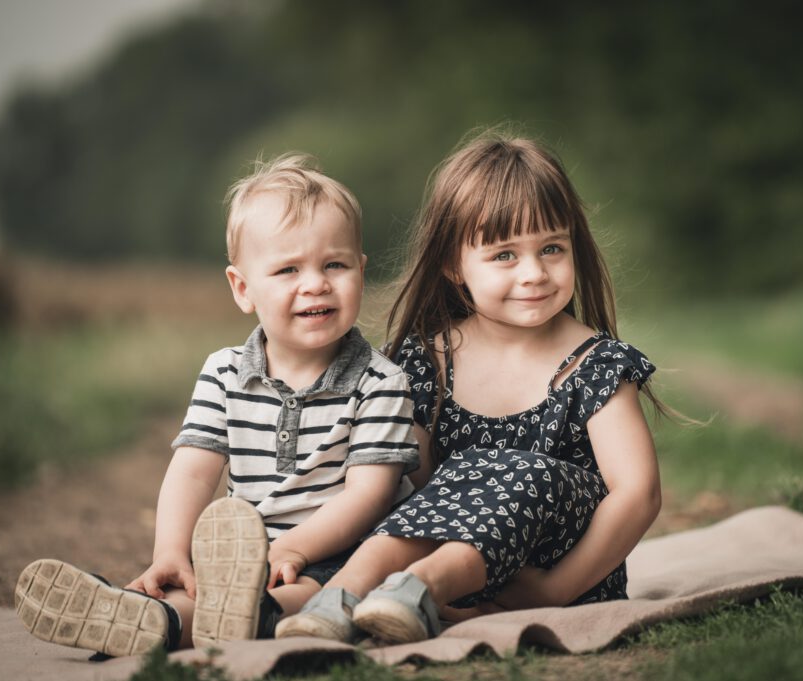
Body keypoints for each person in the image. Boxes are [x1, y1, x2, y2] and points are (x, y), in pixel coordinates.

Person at [13, 154, 420, 657]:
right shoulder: (225, 371)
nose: (315, 283)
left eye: (334, 265)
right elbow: (192, 473)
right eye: (288, 269)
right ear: (243, 288)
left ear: (361, 271)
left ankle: (253, 616)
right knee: (199, 589)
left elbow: (369, 496)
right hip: (242, 553)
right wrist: (170, 551)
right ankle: (149, 618)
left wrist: (293, 548)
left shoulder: (380, 380)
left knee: (319, 586)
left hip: (343, 545)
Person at [275, 131, 663, 645]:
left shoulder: (596, 364)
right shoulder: (425, 358)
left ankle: (420, 589)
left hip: (563, 571)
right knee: (411, 493)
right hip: (445, 550)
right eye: (505, 255)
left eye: (552, 248)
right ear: (454, 265)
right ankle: (333, 600)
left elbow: (638, 494)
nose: (534, 273)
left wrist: (552, 590)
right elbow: (404, 484)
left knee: (509, 467)